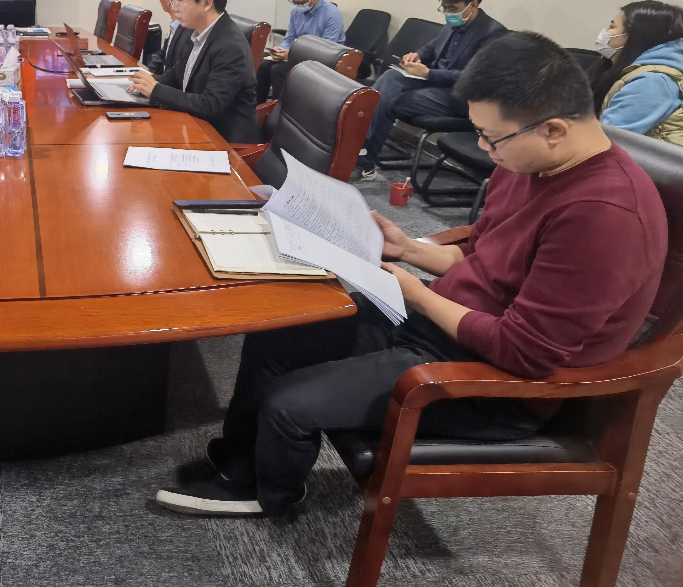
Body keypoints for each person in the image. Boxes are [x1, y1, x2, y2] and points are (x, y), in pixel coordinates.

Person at [154, 31, 667, 524]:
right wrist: (411, 251)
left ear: (554, 129)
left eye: (492, 138)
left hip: (499, 384)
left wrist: (418, 296)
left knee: (289, 402)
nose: (484, 149)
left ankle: (269, 495)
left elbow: (525, 352)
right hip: (446, 326)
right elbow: (485, 259)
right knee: (280, 333)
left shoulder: (606, 215)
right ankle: (241, 462)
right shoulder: (531, 161)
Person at [356, 0, 508, 180]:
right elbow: (430, 48)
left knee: (386, 100)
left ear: (473, 5)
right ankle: (362, 155)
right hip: (433, 85)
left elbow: (475, 78)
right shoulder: (452, 25)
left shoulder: (493, 34)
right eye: (444, 8)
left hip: (458, 97)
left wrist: (428, 73)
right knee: (390, 78)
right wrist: (416, 55)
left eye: (453, 8)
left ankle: (361, 155)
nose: (448, 14)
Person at [128, 0, 260, 143]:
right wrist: (146, 84)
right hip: (194, 128)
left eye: (180, 1)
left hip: (224, 143)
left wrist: (156, 90)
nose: (175, 8)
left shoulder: (230, 45)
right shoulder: (200, 31)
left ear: (206, 3)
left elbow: (210, 105)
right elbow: (177, 73)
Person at [589, 0, 683, 145]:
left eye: (612, 26)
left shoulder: (653, 82)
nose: (605, 32)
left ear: (635, 36)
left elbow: (605, 144)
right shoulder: (631, 71)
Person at [254, 0, 344, 101]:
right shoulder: (296, 11)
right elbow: (290, 38)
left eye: (301, 3)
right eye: (294, 2)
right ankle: (257, 106)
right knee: (263, 65)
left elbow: (327, 50)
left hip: (323, 60)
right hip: (299, 56)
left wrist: (292, 55)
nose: (298, 6)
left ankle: (281, 107)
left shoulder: (332, 14)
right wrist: (280, 50)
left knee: (277, 70)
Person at [149, 0, 192, 76]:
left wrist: (154, 83)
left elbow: (177, 72)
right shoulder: (175, 24)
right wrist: (148, 72)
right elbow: (164, 53)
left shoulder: (189, 30)